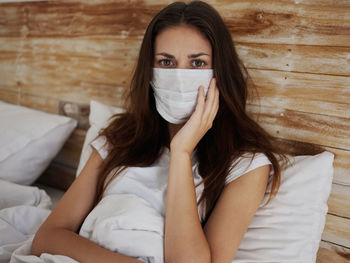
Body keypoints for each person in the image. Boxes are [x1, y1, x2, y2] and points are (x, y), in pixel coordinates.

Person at [31, 1, 285, 262]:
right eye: (166, 62)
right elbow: (47, 238)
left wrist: (181, 152)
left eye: (197, 64)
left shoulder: (246, 165)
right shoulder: (121, 137)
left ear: (220, 72)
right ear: (150, 73)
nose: (179, 77)